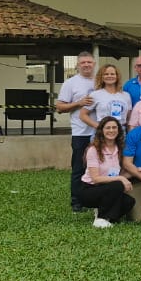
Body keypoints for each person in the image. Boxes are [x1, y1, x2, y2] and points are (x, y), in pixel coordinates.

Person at [55, 51, 96, 212]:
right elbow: (59, 107)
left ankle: (94, 199)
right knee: (79, 168)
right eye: (83, 62)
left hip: (100, 132)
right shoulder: (70, 83)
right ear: (78, 65)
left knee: (98, 167)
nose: (86, 65)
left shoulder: (100, 81)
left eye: (89, 62)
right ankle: (77, 202)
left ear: (94, 64)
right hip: (81, 133)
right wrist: (79, 103)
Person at [78, 116, 132, 227]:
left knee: (129, 202)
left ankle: (109, 217)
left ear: (119, 130)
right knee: (117, 185)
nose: (111, 130)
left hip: (108, 188)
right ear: (101, 131)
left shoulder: (120, 149)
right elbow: (95, 178)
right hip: (89, 189)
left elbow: (119, 174)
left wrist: (136, 171)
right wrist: (121, 178)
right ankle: (100, 218)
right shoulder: (93, 150)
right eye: (108, 128)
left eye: (114, 127)